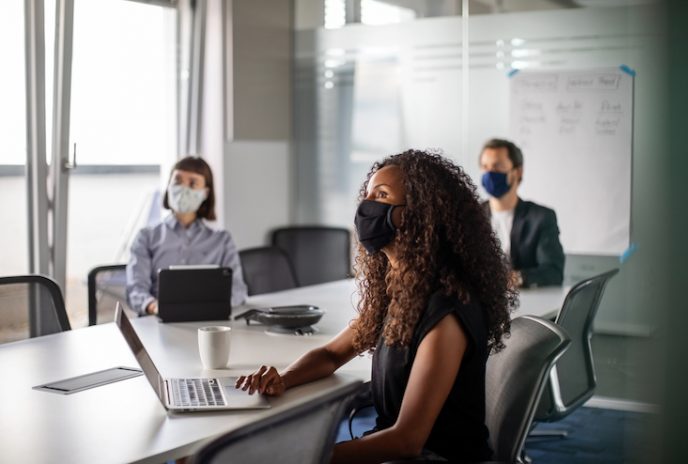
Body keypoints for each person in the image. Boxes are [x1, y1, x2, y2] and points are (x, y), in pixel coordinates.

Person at [236, 150, 515, 463]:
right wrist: (284, 378)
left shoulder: (447, 310)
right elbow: (330, 354)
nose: (366, 207)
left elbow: (407, 440)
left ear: (419, 215)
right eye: (367, 195)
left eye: (381, 195)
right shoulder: (400, 292)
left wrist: (308, 457)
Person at [126, 156, 247, 315]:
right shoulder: (146, 237)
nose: (183, 188)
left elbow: (238, 290)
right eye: (177, 181)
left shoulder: (222, 240)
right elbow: (135, 289)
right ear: (168, 186)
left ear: (205, 193)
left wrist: (208, 306)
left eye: (192, 183)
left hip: (209, 322)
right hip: (157, 321)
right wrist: (155, 306)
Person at [479, 138, 565, 288]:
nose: (489, 173)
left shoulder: (541, 217)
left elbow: (554, 272)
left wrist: (513, 278)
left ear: (517, 172)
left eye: (497, 166)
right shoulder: (471, 216)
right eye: (485, 167)